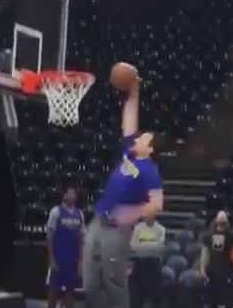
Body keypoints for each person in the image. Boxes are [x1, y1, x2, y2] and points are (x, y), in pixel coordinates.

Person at [82, 63, 165, 308]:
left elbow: (157, 203)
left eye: (144, 138)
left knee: (113, 282)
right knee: (89, 283)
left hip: (116, 229)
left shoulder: (150, 171)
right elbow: (129, 118)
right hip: (99, 220)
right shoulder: (129, 154)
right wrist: (135, 89)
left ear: (150, 149)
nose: (138, 137)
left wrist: (133, 213)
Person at [200, 211, 233, 308]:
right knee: (212, 302)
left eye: (224, 216)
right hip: (213, 271)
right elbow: (205, 252)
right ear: (216, 220)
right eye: (220, 216)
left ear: (227, 220)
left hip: (229, 272)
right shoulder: (208, 236)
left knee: (229, 302)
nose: (222, 218)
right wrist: (202, 268)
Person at [46, 187, 85, 308]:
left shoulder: (80, 214)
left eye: (74, 194)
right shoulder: (56, 212)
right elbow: (49, 237)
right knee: (54, 290)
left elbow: (80, 239)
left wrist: (80, 262)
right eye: (70, 194)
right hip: (58, 257)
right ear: (65, 196)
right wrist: (51, 260)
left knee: (70, 290)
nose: (72, 196)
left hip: (72, 259)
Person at [129, 215, 166, 308]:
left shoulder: (160, 229)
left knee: (154, 292)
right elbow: (134, 246)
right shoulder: (138, 228)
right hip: (140, 261)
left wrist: (142, 242)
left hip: (155, 262)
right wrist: (153, 243)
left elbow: (160, 246)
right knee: (138, 292)